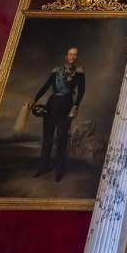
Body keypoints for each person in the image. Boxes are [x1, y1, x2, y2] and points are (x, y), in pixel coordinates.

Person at [30, 47, 85, 180]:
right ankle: (42, 168)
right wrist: (34, 99)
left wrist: (75, 107)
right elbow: (46, 86)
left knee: (61, 139)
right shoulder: (56, 72)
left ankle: (59, 172)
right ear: (66, 56)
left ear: (77, 57)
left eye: (75, 54)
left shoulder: (79, 73)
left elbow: (81, 92)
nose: (73, 56)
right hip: (52, 104)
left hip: (66, 106)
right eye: (70, 54)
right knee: (47, 139)